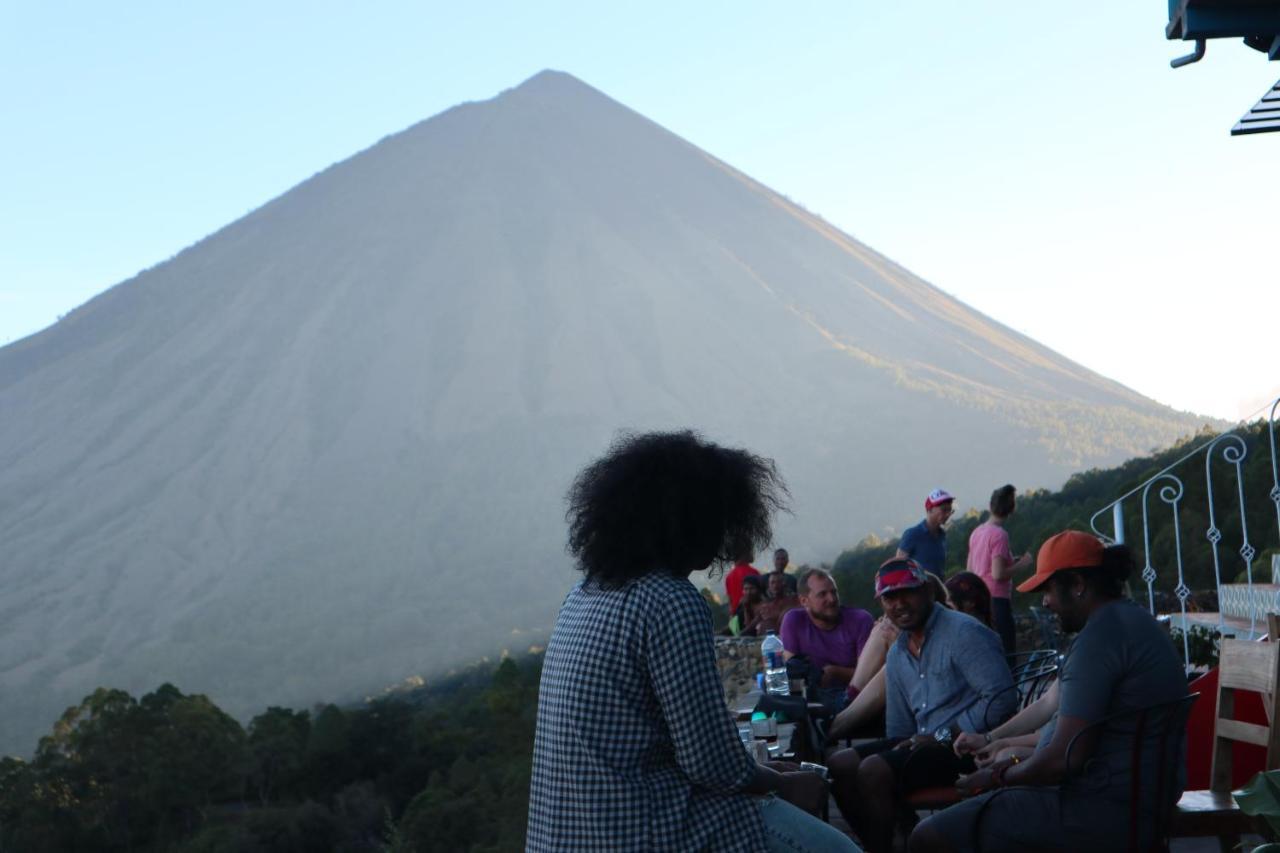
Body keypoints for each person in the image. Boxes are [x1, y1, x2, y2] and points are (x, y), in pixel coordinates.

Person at [527, 431, 860, 852]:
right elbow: (709, 764)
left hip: (564, 836)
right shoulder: (670, 599)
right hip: (644, 829)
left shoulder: (585, 593)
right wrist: (784, 783)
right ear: (682, 521)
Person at [909, 531, 1189, 853]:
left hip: (1102, 810)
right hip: (1138, 797)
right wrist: (993, 742)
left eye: (1048, 590)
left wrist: (999, 776)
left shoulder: (1099, 642)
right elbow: (1052, 703)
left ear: (1078, 584)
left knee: (927, 836)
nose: (1045, 602)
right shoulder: (1132, 622)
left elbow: (1061, 760)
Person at [828, 558, 1014, 853]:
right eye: (889, 597)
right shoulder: (898, 653)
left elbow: (1002, 699)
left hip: (972, 746)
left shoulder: (963, 632)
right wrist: (902, 747)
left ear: (927, 591)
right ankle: (889, 838)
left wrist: (941, 736)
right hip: (924, 747)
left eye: (907, 592)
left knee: (874, 770)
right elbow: (899, 729)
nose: (899, 603)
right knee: (840, 764)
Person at [780, 568, 875, 701]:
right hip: (812, 700)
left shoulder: (860, 620)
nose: (831, 599)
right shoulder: (794, 621)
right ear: (804, 601)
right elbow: (792, 672)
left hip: (856, 699)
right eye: (822, 594)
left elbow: (870, 674)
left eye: (834, 592)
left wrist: (834, 672)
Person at [966, 484, 1031, 653]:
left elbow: (970, 569)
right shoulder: (999, 535)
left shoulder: (977, 532)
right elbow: (997, 574)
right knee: (1007, 652)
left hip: (980, 600)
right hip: (997, 600)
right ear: (1011, 509)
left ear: (990, 506)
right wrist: (1022, 564)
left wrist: (1011, 560)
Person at [896, 489, 954, 574]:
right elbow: (897, 568)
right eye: (944, 510)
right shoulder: (912, 534)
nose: (948, 514)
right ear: (930, 509)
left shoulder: (942, 535)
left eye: (950, 510)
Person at [724, 543, 762, 616]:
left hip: (737, 615)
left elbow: (730, 601)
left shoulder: (728, 577)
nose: (752, 554)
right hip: (753, 613)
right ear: (744, 554)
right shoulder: (753, 572)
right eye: (750, 551)